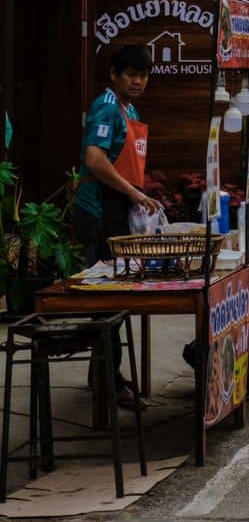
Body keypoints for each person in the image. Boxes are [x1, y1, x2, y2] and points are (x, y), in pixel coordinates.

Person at [73, 44, 162, 407]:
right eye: (131, 75)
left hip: (118, 210)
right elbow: (94, 160)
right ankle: (109, 381)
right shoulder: (106, 106)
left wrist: (141, 195)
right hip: (98, 213)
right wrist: (134, 193)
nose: (138, 81)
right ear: (114, 74)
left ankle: (104, 373)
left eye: (143, 75)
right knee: (107, 297)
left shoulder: (130, 109)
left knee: (119, 297)